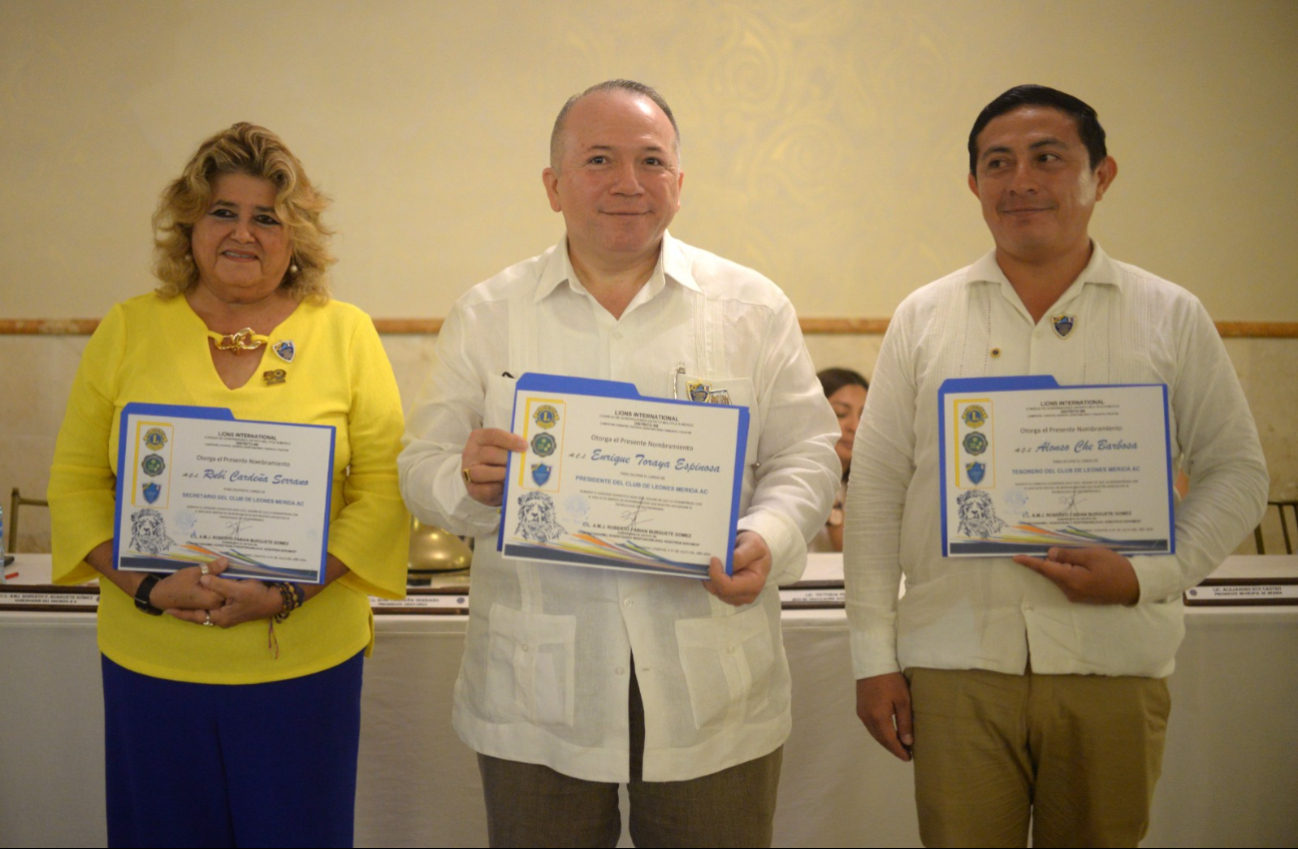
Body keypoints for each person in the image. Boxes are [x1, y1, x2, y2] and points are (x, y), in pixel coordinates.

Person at [399, 79, 839, 848]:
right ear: (554, 185)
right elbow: (421, 464)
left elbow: (806, 454)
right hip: (540, 697)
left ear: (679, 183)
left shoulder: (750, 306)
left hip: (708, 680)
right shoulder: (489, 312)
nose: (628, 183)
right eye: (599, 159)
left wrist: (767, 536)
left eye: (651, 161)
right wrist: (464, 482)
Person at [845, 85, 1268, 848]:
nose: (1021, 181)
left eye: (1048, 158)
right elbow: (874, 495)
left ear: (1101, 175)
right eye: (997, 163)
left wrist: (1150, 573)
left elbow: (1238, 472)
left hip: (1112, 662)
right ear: (974, 184)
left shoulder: (1170, 314)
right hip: (955, 662)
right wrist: (872, 657)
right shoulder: (925, 317)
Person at [47, 123, 409, 847]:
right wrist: (148, 587)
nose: (243, 232)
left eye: (266, 217)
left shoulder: (346, 333)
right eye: (223, 211)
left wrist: (289, 592)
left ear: (294, 237)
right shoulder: (126, 329)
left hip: (303, 664)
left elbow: (382, 490)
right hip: (154, 662)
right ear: (190, 226)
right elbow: (77, 482)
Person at [809, 367, 868, 552]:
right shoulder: (787, 479)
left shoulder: (866, 489)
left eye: (864, 416)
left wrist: (833, 512)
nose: (855, 426)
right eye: (841, 413)